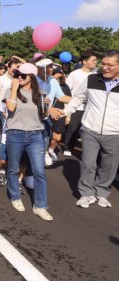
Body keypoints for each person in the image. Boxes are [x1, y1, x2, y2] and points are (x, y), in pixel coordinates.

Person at [53, 50, 119, 208]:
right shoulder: (92, 79)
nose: (105, 67)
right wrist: (66, 112)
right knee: (88, 163)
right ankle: (86, 193)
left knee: (108, 166)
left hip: (114, 133)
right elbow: (78, 98)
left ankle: (102, 192)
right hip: (90, 129)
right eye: (103, 64)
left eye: (110, 65)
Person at [3, 63, 53, 221]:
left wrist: (46, 107)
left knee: (40, 172)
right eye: (17, 74)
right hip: (15, 134)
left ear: (31, 76)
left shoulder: (40, 93)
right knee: (13, 168)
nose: (19, 77)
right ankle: (15, 197)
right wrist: (13, 89)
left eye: (22, 75)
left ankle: (41, 206)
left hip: (35, 135)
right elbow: (10, 108)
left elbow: (43, 117)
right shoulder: (11, 91)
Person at [34, 58, 71, 166]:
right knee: (31, 147)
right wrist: (49, 109)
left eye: (51, 67)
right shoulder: (32, 80)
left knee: (44, 141)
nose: (50, 69)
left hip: (45, 119)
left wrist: (80, 99)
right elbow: (31, 99)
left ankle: (40, 162)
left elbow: (61, 97)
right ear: (39, 68)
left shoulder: (53, 80)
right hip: (32, 120)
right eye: (47, 67)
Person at [62, 51, 97, 157]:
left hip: (90, 108)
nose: (96, 62)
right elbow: (67, 90)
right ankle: (67, 146)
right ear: (84, 62)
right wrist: (67, 109)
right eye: (93, 60)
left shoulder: (95, 75)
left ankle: (84, 151)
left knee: (85, 131)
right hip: (76, 106)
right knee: (72, 128)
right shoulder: (74, 74)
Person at [47, 66, 71, 161]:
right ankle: (45, 153)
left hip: (60, 112)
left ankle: (51, 150)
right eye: (55, 73)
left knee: (57, 137)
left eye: (60, 73)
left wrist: (68, 115)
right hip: (47, 112)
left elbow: (67, 99)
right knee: (45, 136)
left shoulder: (65, 86)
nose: (58, 75)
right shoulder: (47, 83)